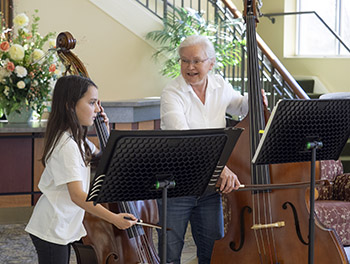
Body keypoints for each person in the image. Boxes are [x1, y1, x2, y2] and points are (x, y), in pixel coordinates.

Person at [158, 35, 261, 264]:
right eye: (184, 61)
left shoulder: (220, 85)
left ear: (211, 63)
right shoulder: (172, 93)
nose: (189, 67)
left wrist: (254, 98)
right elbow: (185, 140)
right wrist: (220, 168)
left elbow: (240, 105)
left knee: (213, 254)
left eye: (196, 61)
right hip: (176, 186)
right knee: (169, 255)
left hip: (208, 187)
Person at [25, 75, 137, 264]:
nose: (97, 110)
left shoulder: (77, 139)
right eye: (92, 103)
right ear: (70, 105)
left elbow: (104, 158)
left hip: (65, 222)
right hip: (52, 226)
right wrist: (114, 218)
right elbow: (77, 195)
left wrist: (106, 130)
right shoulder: (66, 144)